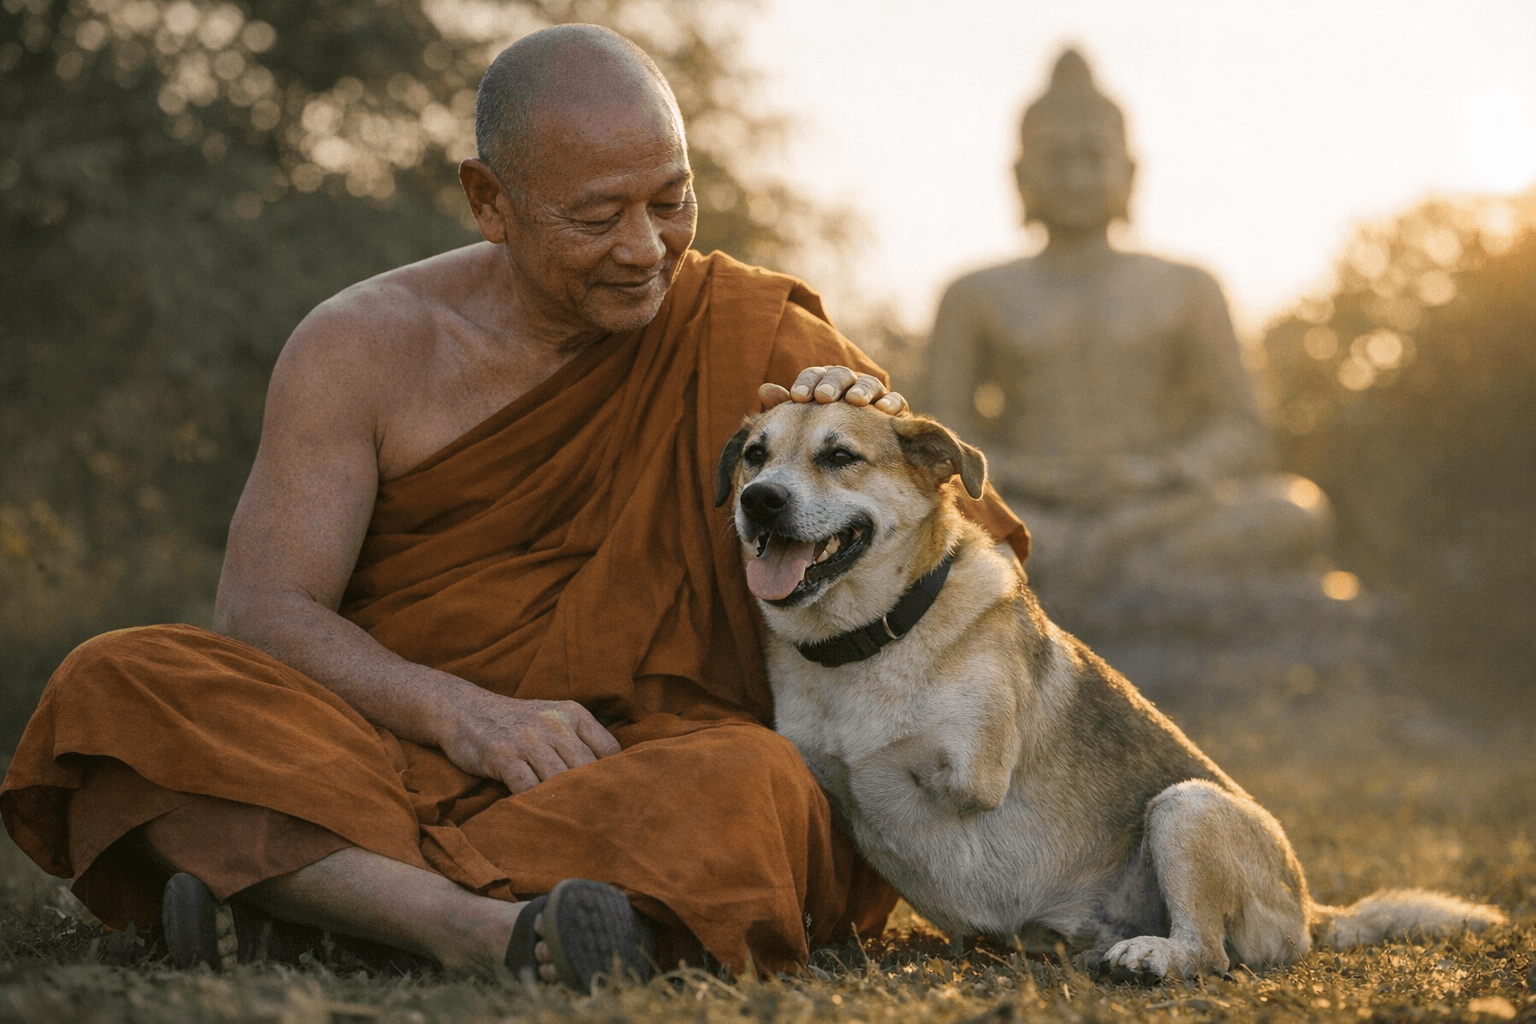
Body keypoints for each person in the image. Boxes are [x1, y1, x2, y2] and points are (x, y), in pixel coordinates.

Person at [0, 25, 1027, 986]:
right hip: (386, 745)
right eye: (598, 217)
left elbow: (972, 582)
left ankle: (318, 899)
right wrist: (467, 717)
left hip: (634, 762)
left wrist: (834, 450)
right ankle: (474, 926)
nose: (646, 248)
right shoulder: (359, 348)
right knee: (119, 684)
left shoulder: (753, 338)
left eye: (671, 201)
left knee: (754, 784)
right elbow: (265, 610)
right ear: (489, 201)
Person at [927, 49, 1329, 620]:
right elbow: (941, 436)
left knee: (1295, 510)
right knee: (934, 520)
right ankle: (1123, 575)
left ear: (1130, 172)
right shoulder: (973, 294)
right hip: (1031, 512)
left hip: (1157, 512)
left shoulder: (1190, 287)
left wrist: (1157, 473)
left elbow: (1241, 428)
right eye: (1056, 160)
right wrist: (1031, 476)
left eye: (1093, 157)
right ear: (1020, 177)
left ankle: (1081, 573)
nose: (1076, 177)